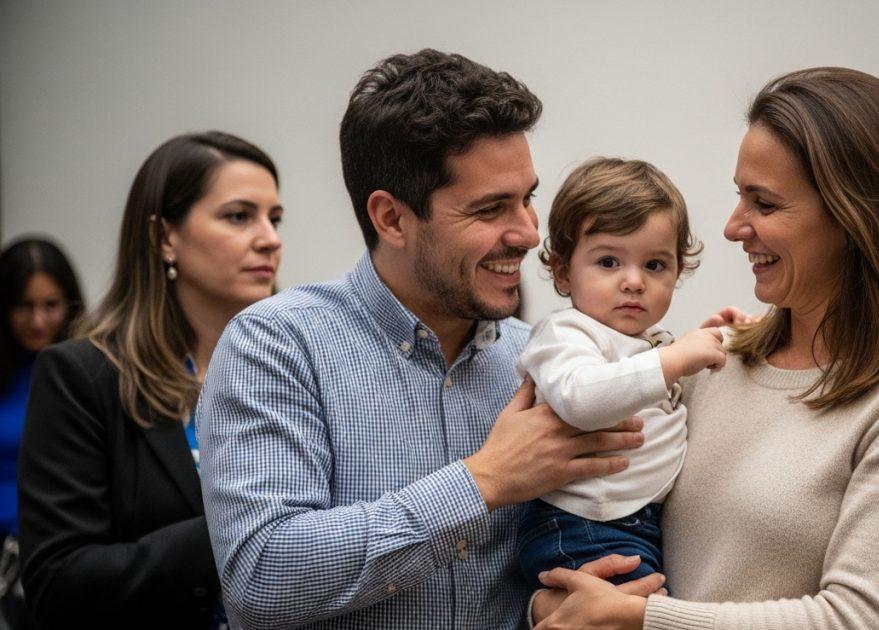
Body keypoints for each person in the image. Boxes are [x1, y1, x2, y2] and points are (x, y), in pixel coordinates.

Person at [197, 49, 645, 629]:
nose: (529, 234)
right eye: (491, 209)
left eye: (528, 198)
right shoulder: (277, 346)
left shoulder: (540, 358)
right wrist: (484, 481)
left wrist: (546, 610)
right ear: (391, 218)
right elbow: (261, 578)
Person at [530, 67, 879, 629]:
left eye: (763, 204)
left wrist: (644, 618)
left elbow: (862, 620)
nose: (732, 227)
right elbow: (591, 541)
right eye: (739, 196)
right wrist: (549, 605)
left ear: (857, 217)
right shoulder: (712, 362)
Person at [18, 131, 283, 628]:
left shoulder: (292, 370)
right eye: (239, 216)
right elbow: (57, 583)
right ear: (164, 237)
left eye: (275, 218)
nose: (270, 238)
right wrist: (241, 531)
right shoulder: (82, 376)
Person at [515, 157, 723, 588]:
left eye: (654, 265)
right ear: (563, 272)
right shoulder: (565, 334)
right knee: (640, 609)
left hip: (634, 521)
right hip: (582, 524)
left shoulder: (653, 343)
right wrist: (675, 360)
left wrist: (726, 337)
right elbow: (580, 398)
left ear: (678, 272)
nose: (634, 281)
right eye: (609, 262)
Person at [0, 238, 85, 538]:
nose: (37, 321)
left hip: (63, 540)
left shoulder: (89, 374)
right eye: (24, 305)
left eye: (50, 305)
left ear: (70, 305)